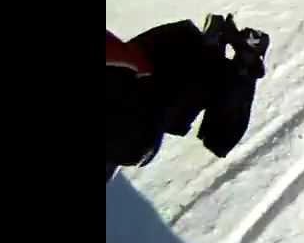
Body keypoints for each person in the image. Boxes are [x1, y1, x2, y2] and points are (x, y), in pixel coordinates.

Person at [107, 15, 269, 182]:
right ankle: (238, 59)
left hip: (165, 64)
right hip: (164, 65)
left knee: (219, 134)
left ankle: (238, 59)